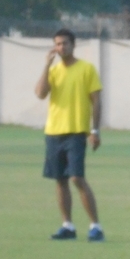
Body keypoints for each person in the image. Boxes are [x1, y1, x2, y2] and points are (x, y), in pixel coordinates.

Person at [35, 28, 105, 241]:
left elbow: (96, 101)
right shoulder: (53, 71)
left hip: (76, 132)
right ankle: (68, 226)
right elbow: (40, 93)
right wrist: (46, 65)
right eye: (57, 44)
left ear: (73, 45)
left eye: (65, 43)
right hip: (54, 132)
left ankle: (95, 226)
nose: (61, 47)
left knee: (77, 178)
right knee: (60, 180)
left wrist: (95, 130)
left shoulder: (86, 69)